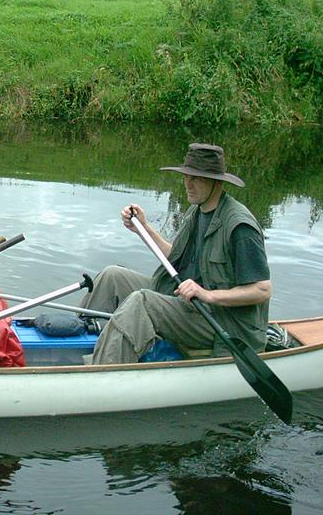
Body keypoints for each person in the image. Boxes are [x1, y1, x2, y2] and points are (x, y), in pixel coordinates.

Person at [84, 142, 272, 364]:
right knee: (112, 276)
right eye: (186, 177)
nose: (188, 184)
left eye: (197, 178)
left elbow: (262, 290)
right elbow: (176, 258)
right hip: (188, 303)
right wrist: (143, 229)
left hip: (222, 321)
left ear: (216, 182)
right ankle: (74, 344)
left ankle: (100, 374)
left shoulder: (239, 227)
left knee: (142, 302)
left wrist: (207, 294)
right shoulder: (197, 211)